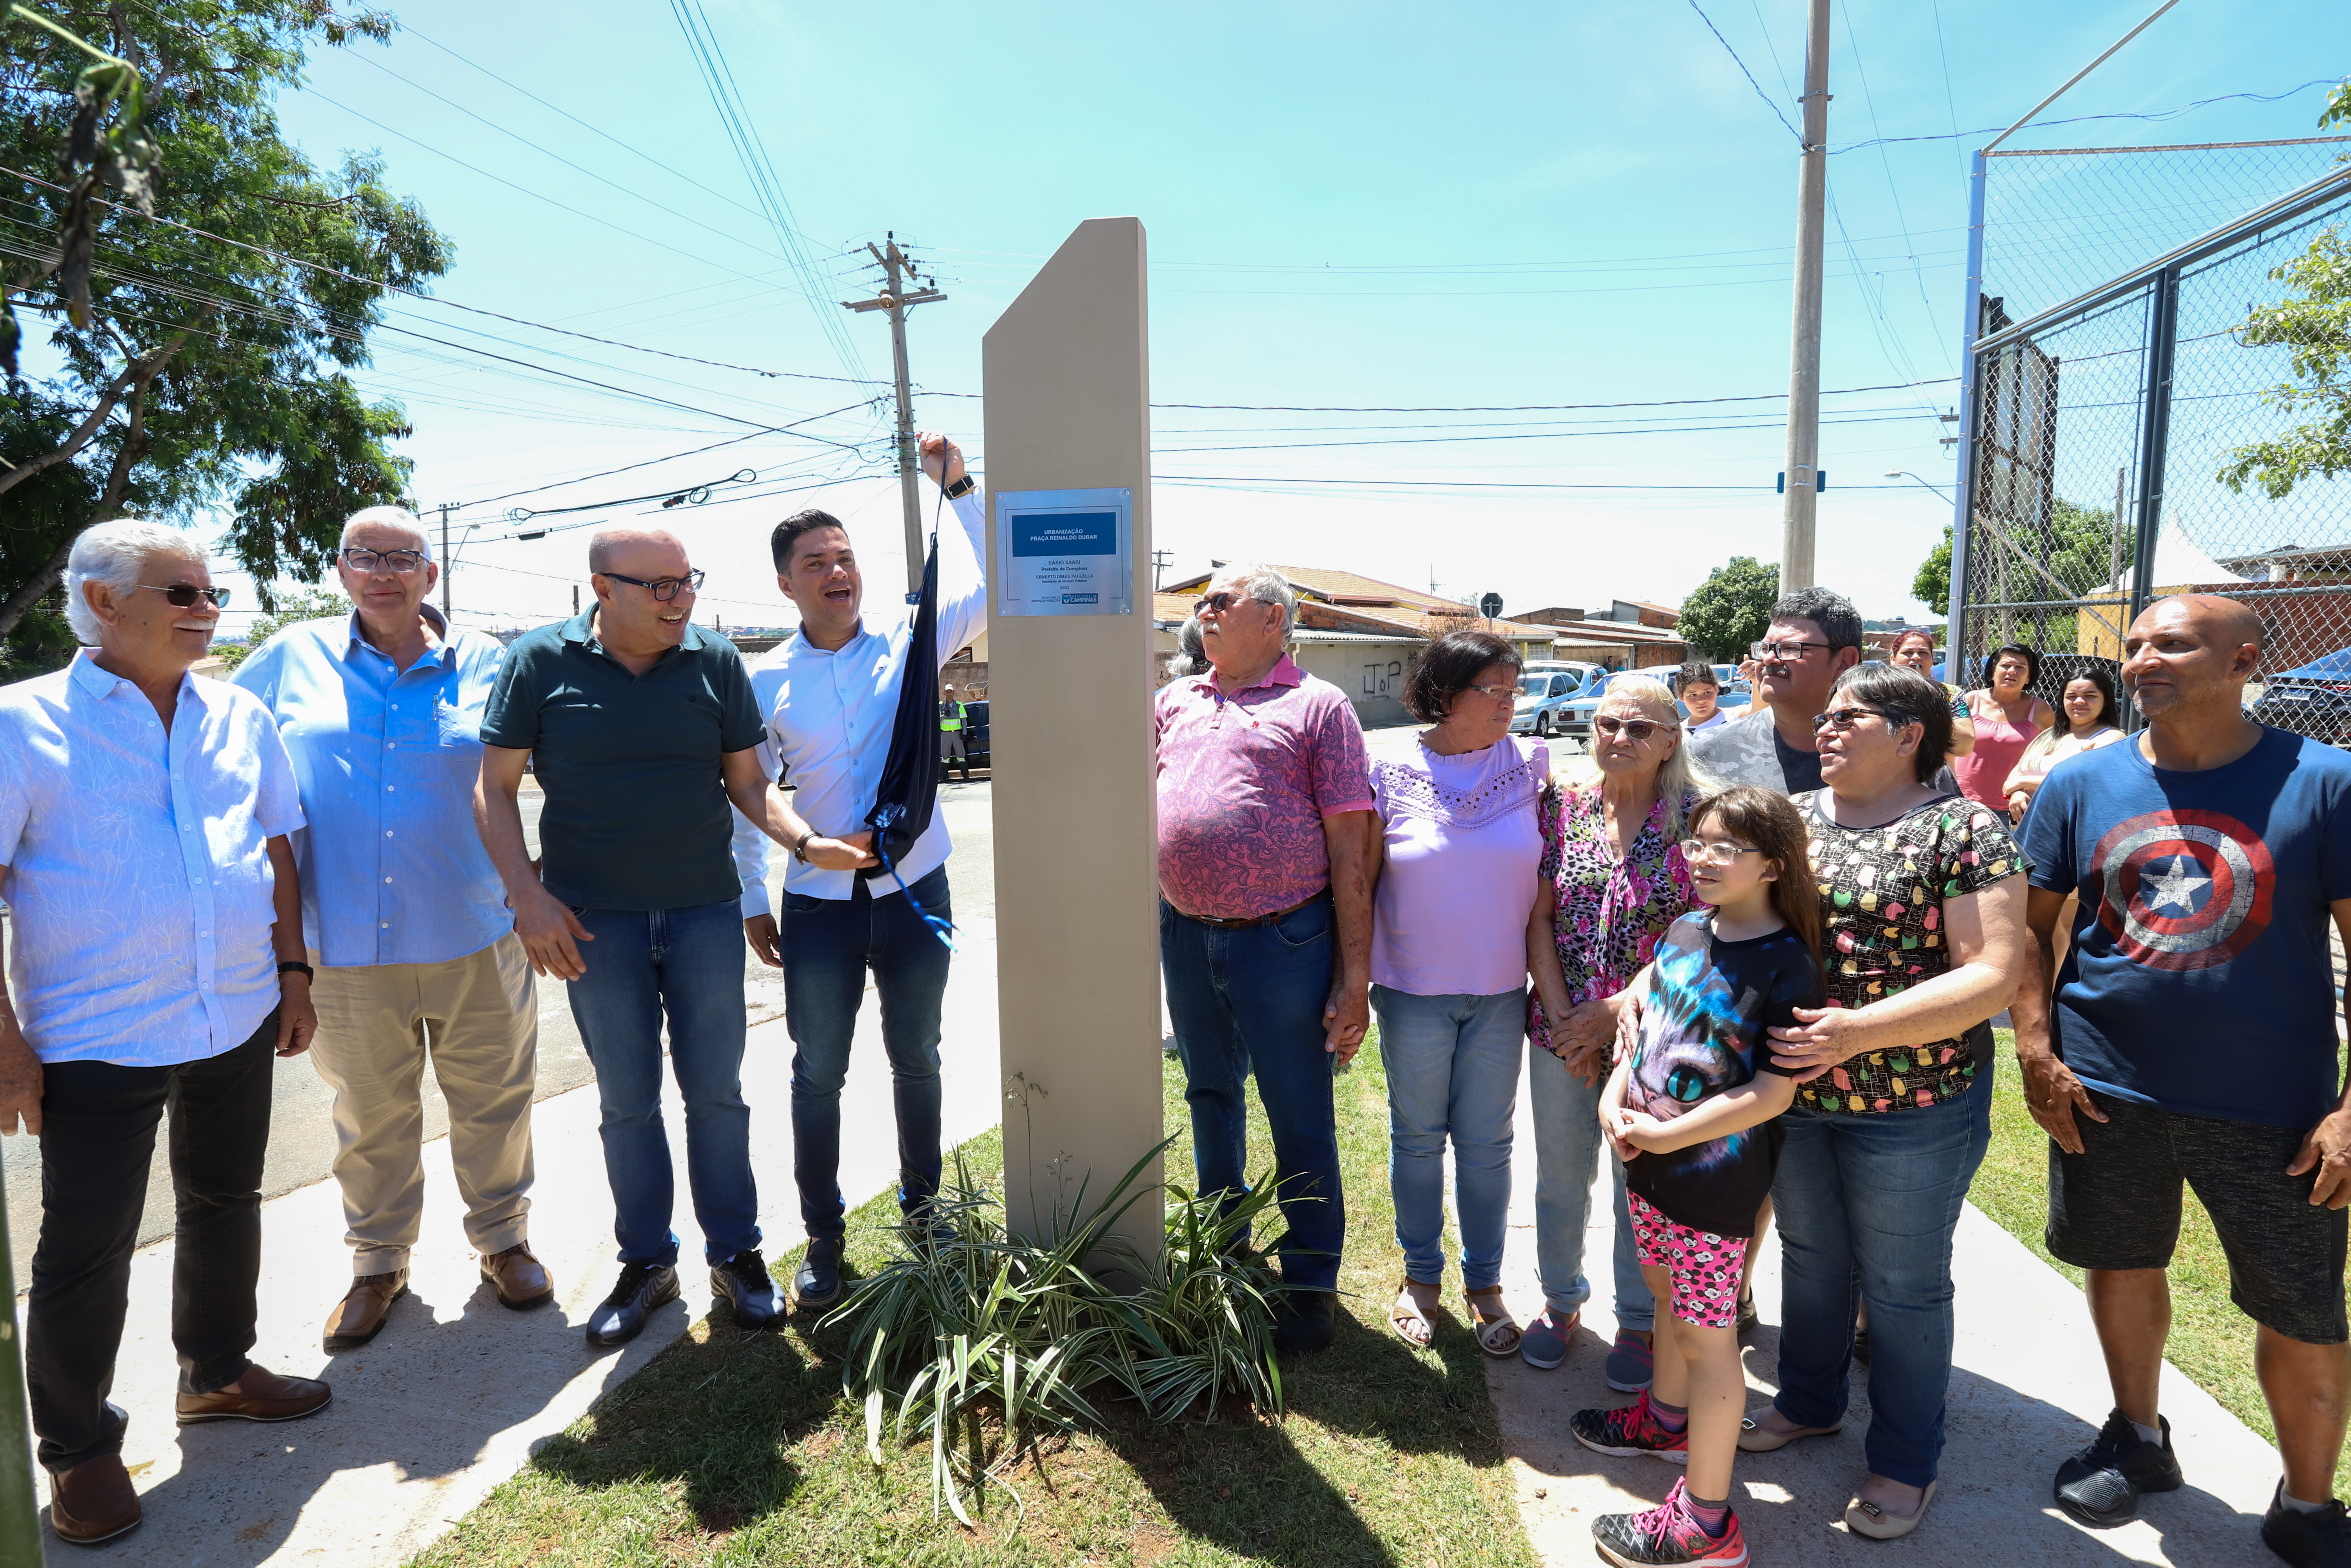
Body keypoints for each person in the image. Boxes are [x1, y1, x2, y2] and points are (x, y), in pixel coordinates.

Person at [0, 521, 331, 1545]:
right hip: (93, 1033)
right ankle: (79, 1449)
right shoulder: (21, 723)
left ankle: (218, 1369)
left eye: (210, 592)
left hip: (233, 1007)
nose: (208, 609)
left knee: (226, 1195)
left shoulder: (237, 712)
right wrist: (7, 1039)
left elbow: (275, 844)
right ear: (101, 602)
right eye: (182, 592)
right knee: (87, 1246)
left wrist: (291, 970)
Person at [2012, 595, 2351, 1564]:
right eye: (2134, 643)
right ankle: (2136, 1434)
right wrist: (2036, 1051)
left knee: (2298, 1302)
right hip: (2102, 1090)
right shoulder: (2079, 782)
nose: (2141, 657)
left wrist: (2345, 1112)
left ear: (2245, 658)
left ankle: (2307, 1501)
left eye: (2171, 642)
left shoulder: (2324, 782)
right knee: (2118, 1259)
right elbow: (2027, 931)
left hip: (2276, 1108)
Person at [477, 526, 869, 1347]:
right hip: (594, 923)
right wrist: (527, 896)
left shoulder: (715, 661)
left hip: (700, 914)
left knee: (717, 1094)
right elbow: (494, 787)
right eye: (656, 585)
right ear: (601, 587)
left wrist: (803, 842)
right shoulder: (539, 664)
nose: (678, 597)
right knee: (626, 1101)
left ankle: (736, 1253)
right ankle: (647, 1261)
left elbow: (749, 782)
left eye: (684, 580)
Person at [233, 507, 551, 1350]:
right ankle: (378, 1263)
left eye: (401, 557)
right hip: (340, 945)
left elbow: (545, 770)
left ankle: (503, 1240)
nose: (382, 571)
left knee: (494, 1101)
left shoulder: (490, 660)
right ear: (340, 570)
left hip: (475, 930)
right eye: (363, 556)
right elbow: (217, 760)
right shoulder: (284, 660)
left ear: (429, 574)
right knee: (369, 1113)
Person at [1738, 663, 2027, 1541]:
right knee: (1811, 1255)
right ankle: (1809, 1402)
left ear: (1909, 733)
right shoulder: (1788, 822)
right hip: (1796, 1089)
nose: (1824, 728)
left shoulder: (1961, 828)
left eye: (1849, 715)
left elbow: (1992, 973)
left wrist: (1853, 1032)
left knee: (1901, 1286)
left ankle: (1903, 1458)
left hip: (1914, 1101)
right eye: (1823, 717)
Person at [742, 433, 983, 1311]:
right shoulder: (763, 680)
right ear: (786, 582)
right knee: (817, 1072)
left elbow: (998, 580)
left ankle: (925, 1214)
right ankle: (825, 1238)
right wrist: (750, 901)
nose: (835, 570)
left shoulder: (913, 637)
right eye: (815, 562)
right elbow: (744, 792)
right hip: (818, 909)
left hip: (917, 888)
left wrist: (957, 486)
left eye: (844, 557)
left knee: (917, 1056)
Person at [1574, 785, 1825, 1567]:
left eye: (1727, 847)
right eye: (1698, 840)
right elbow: (1639, 1020)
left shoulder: (1787, 965)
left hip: (1713, 1186)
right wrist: (1615, 1101)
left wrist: (1665, 1131)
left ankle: (1707, 1522)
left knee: (1708, 1334)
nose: (1704, 857)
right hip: (1646, 1162)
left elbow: (1773, 1089)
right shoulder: (1686, 928)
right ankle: (1663, 1416)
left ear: (1773, 865)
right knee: (1662, 1296)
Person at [1156, 564, 1374, 1355]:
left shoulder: (1319, 706)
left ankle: (1309, 1280)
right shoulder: (1175, 700)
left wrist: (1355, 977)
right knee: (1209, 1090)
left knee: (1298, 1111)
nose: (1203, 611)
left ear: (1275, 620)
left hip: (1283, 940)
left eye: (1222, 600)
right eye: (1202, 601)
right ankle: (1223, 1238)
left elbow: (1351, 852)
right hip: (1185, 933)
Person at [1523, 676, 1709, 1387]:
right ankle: (1560, 1302)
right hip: (1558, 1026)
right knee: (1560, 1176)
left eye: (1639, 728)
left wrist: (1609, 1015)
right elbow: (1538, 915)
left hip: (1655, 1034)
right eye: (1607, 724)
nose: (1620, 738)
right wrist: (1568, 1016)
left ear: (1670, 739)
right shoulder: (1561, 807)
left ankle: (1637, 1321)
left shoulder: (1698, 817)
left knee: (1640, 1177)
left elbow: (1701, 932)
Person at [1367, 631, 1549, 1355]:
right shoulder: (1385, 764)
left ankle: (1484, 1284)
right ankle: (1420, 1277)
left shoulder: (1533, 767)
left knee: (1487, 1145)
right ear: (1448, 692)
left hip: (1502, 991)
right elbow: (1356, 880)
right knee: (1416, 1139)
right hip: (1412, 988)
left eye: (1515, 691)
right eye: (1494, 690)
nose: (1509, 704)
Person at [1689, 586, 1865, 795]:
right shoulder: (1707, 752)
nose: (1769, 659)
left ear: (1844, 662)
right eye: (1765, 649)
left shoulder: (1888, 754)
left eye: (1790, 648)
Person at [2002, 666, 2123, 823]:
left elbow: (2083, 784)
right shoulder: (2049, 735)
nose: (2079, 701)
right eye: (2071, 696)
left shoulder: (2111, 738)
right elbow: (2016, 773)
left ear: (2106, 701)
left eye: (2090, 695)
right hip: (2025, 833)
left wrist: (2023, 783)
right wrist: (2017, 793)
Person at [1953, 643, 2052, 811]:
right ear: (1993, 671)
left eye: (2021, 667)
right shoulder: (1969, 701)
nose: (2012, 671)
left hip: (2016, 806)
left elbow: (2052, 755)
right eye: (2006, 666)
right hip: (1962, 803)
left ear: (2029, 677)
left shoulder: (2041, 710)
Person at [1889, 628, 1976, 758]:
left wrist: (1927, 702)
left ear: (1932, 660)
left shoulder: (1951, 695)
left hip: (1934, 776)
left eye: (1923, 653)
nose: (1916, 657)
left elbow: (1965, 746)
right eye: (1908, 652)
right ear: (1893, 659)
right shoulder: (1878, 693)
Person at [1675, 658, 1729, 733]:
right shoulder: (1679, 734)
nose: (1701, 700)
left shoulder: (1735, 718)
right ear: (1681, 697)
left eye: (1707, 693)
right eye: (1693, 695)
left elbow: (1751, 710)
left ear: (1716, 690)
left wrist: (1752, 680)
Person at [938, 689, 968, 781]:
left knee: (961, 756)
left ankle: (966, 777)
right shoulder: (940, 706)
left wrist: (964, 733)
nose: (949, 694)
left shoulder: (959, 705)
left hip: (956, 734)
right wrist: (944, 716)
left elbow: (964, 719)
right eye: (947, 692)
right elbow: (936, 720)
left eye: (951, 692)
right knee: (945, 757)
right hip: (945, 734)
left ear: (954, 693)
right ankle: (943, 778)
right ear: (944, 693)